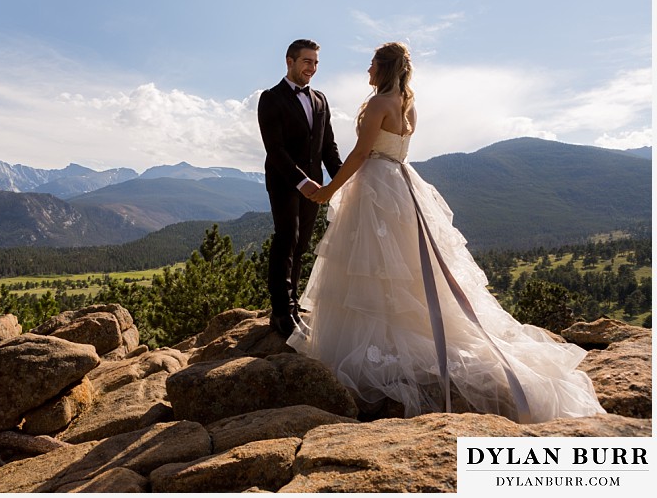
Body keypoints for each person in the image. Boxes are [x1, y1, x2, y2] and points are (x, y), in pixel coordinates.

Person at [287, 41, 605, 423]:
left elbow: (359, 154)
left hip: (375, 187)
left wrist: (328, 191)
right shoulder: (408, 105)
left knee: (370, 266)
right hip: (401, 184)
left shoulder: (377, 104)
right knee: (405, 268)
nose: (366, 70)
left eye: (371, 64)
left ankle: (378, 346)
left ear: (384, 69)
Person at [257, 39, 343, 337]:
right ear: (289, 61)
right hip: (284, 182)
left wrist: (342, 181)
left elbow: (328, 147)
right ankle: (281, 312)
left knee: (302, 244)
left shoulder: (320, 100)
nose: (312, 68)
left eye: (316, 63)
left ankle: (293, 304)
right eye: (307, 61)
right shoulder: (270, 98)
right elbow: (275, 149)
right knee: (287, 239)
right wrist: (302, 182)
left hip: (315, 186)